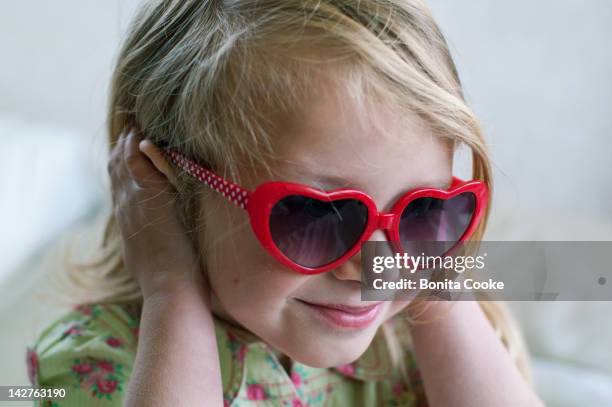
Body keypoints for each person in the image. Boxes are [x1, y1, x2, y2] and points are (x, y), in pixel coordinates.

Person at [27, 0, 544, 405]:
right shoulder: (99, 360)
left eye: (424, 211)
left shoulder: (413, 335)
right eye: (321, 215)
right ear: (166, 190)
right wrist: (171, 290)